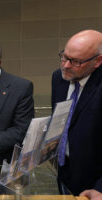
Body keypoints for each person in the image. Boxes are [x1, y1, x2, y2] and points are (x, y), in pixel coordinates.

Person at [52, 30, 102, 199]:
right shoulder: (58, 78)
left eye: (75, 62)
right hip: (64, 172)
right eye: (64, 57)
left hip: (94, 181)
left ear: (98, 61)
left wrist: (100, 188)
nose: (65, 65)